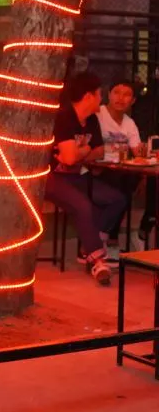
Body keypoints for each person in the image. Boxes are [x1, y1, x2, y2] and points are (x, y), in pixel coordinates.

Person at [45, 71, 127, 286]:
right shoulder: (64, 117)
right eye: (99, 94)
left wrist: (82, 149)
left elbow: (98, 150)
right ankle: (98, 261)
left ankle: (89, 246)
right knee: (83, 206)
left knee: (116, 199)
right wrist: (82, 152)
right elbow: (70, 158)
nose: (102, 99)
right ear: (88, 96)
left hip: (78, 176)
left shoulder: (91, 119)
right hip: (53, 177)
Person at [95, 79, 147, 254]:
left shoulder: (129, 123)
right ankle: (110, 236)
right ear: (108, 95)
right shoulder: (98, 115)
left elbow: (138, 151)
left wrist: (144, 153)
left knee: (131, 180)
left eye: (127, 95)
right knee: (123, 184)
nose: (121, 98)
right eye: (117, 92)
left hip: (119, 172)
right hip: (96, 170)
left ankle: (112, 234)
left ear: (132, 101)